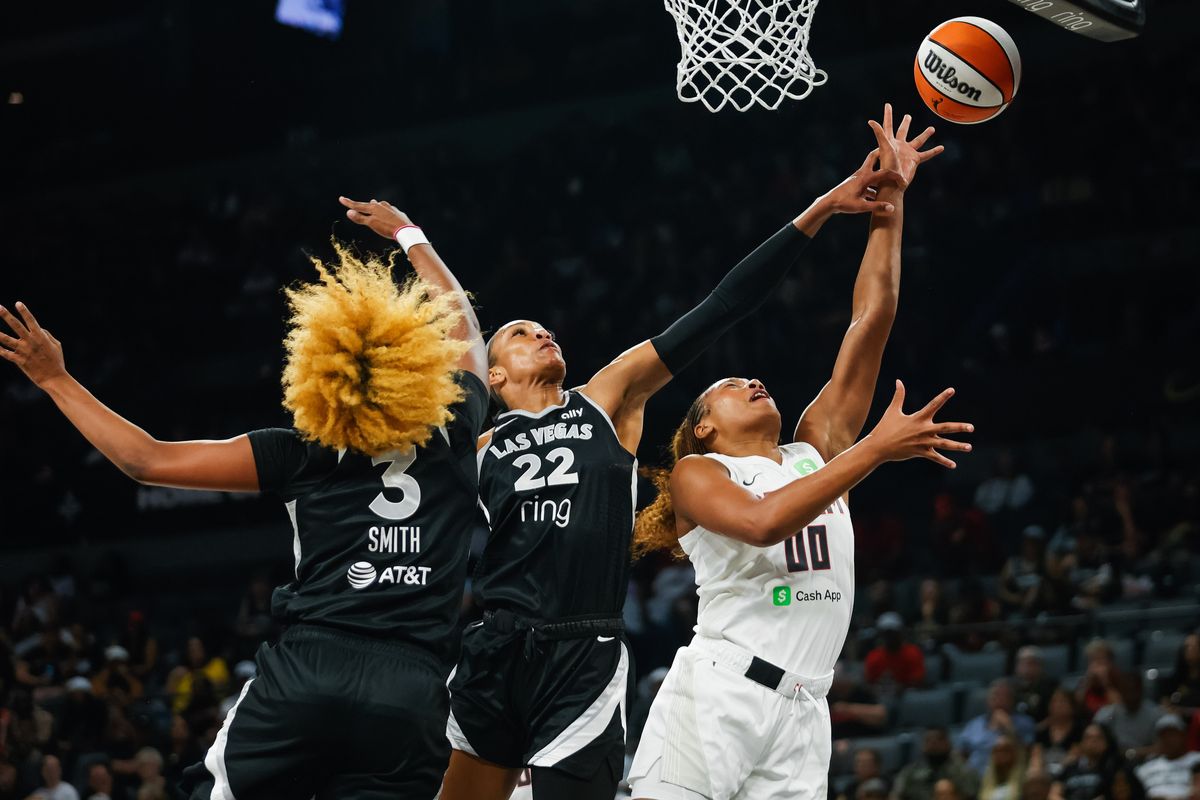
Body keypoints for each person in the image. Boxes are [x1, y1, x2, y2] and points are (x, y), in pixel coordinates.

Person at [342, 110, 917, 800]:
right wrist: (411, 236)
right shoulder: (477, 442)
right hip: (503, 642)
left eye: (545, 326)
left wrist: (833, 207)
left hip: (589, 646)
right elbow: (459, 331)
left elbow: (721, 307)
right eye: (522, 333)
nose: (543, 332)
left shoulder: (603, 402)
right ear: (490, 376)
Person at [0, 208, 488, 800]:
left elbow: (146, 461)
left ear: (320, 372)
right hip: (412, 690)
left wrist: (56, 379)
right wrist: (411, 237)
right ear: (416, 364)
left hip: (311, 668)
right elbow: (462, 330)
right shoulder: (454, 428)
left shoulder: (301, 451)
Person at [627, 108, 961, 800]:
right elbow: (760, 524)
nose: (752, 381)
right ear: (701, 429)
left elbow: (872, 317)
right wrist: (872, 450)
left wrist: (890, 205)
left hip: (806, 710)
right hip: (718, 696)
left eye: (754, 379)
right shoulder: (699, 474)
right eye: (727, 387)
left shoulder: (815, 449)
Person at [959, 680, 1037, 776]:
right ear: (988, 700)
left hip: (1008, 778)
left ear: (1012, 700)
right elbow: (961, 754)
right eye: (995, 695)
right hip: (974, 778)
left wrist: (1009, 728)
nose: (999, 700)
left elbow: (1026, 754)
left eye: (1004, 696)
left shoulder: (1024, 723)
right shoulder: (974, 724)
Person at [892, 728, 980, 800]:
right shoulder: (909, 773)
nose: (933, 744)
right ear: (922, 745)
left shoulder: (964, 771)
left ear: (948, 743)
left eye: (939, 739)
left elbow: (973, 795)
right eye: (928, 740)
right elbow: (897, 795)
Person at [1096, 673, 1164, 759]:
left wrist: (1132, 753)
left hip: (1147, 762)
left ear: (1141, 690)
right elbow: (1093, 735)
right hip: (1114, 761)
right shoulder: (1108, 714)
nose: (1130, 694)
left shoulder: (1156, 714)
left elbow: (1162, 747)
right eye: (1126, 690)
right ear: (1120, 691)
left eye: (1134, 689)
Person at [1135, 715, 1200, 800]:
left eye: (1172, 734)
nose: (1167, 740)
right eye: (1163, 736)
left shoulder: (1197, 760)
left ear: (1183, 735)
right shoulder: (1146, 767)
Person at [1052, 723, 1122, 800]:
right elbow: (1054, 794)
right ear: (1081, 743)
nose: (1093, 741)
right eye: (1088, 737)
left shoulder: (1113, 769)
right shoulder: (1070, 768)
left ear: (1106, 742)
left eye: (1098, 737)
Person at [864, 612, 926, 692]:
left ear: (900, 633)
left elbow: (918, 681)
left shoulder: (912, 653)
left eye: (893, 633)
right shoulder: (874, 656)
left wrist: (901, 687)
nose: (890, 637)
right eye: (886, 633)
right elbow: (868, 682)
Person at [1032, 688, 1085, 777]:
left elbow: (1074, 755)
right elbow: (1036, 755)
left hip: (1070, 772)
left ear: (1072, 706)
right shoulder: (1042, 731)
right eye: (1054, 701)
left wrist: (1057, 772)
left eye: (1062, 701)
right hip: (1044, 772)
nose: (1058, 705)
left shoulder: (1079, 729)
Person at [1014, 645, 1058, 723]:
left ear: (1040, 666)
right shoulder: (1012, 687)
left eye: (1030, 664)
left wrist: (1036, 729)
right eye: (1022, 663)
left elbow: (1057, 714)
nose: (1025, 668)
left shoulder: (1051, 686)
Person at [979, 734, 1026, 800]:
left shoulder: (1024, 781)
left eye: (1005, 750)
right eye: (997, 751)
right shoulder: (986, 782)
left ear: (1014, 753)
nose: (1000, 754)